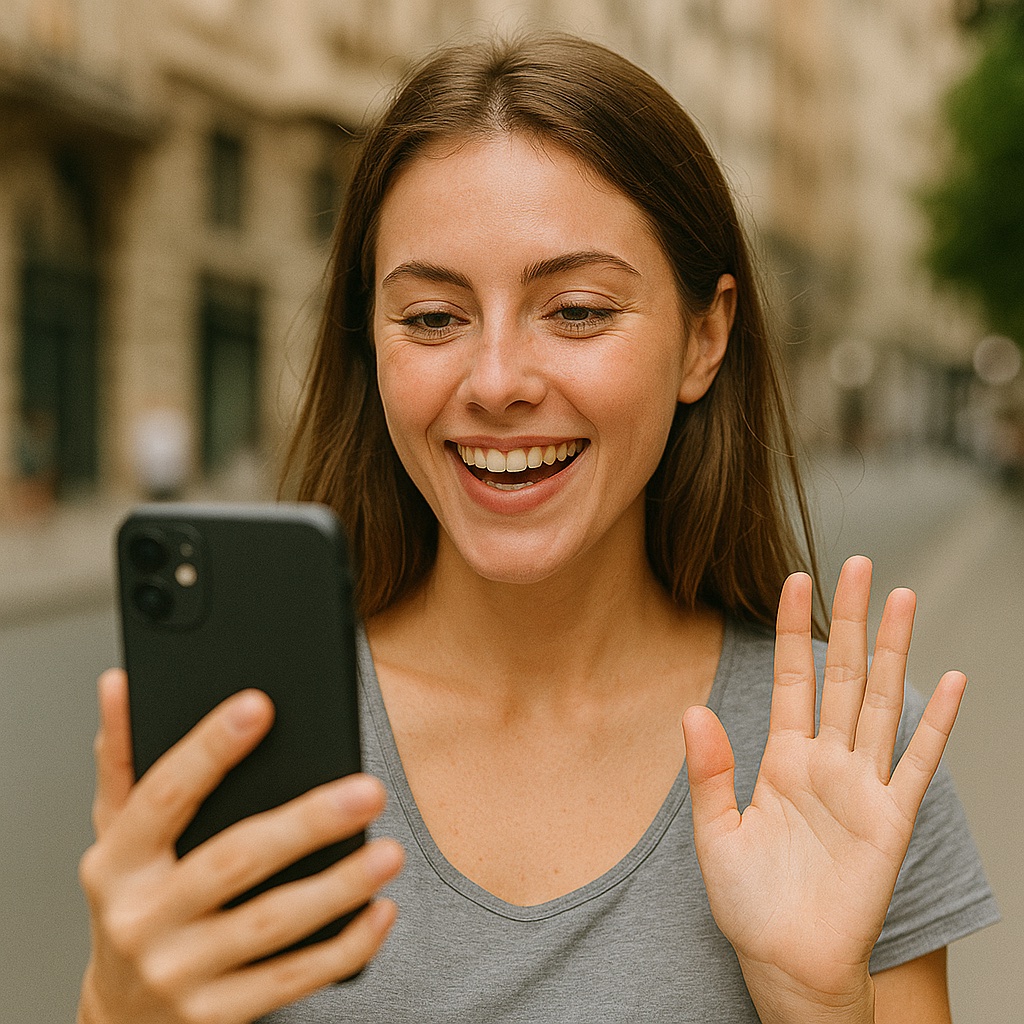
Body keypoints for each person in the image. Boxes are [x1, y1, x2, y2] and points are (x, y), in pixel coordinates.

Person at [77, 34, 998, 1024]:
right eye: (431, 317)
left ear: (704, 336)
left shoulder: (837, 755)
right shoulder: (238, 737)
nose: (496, 381)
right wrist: (117, 1007)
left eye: (576, 309)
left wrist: (816, 1000)